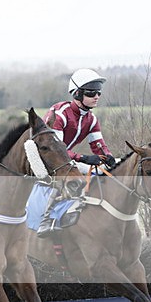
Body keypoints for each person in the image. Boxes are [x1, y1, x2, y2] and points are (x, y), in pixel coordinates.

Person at [37, 68, 115, 237]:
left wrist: (108, 157)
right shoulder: (60, 114)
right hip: (44, 156)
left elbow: (98, 145)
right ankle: (46, 220)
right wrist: (83, 158)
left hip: (63, 159)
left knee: (102, 177)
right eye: (92, 92)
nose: (97, 96)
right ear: (78, 94)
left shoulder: (91, 119)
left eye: (99, 93)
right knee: (69, 177)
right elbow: (56, 150)